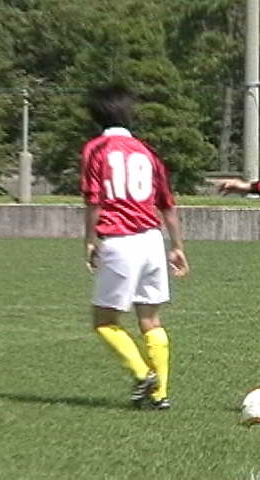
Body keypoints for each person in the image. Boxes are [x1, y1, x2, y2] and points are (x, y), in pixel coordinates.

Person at [79, 83, 190, 410]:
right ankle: (160, 395)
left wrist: (90, 240)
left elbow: (93, 200)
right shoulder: (147, 152)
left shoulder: (96, 149)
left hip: (120, 240)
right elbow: (167, 205)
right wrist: (177, 246)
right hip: (152, 240)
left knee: (103, 321)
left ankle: (144, 375)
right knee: (151, 320)